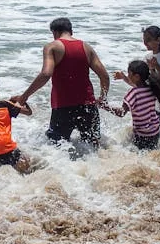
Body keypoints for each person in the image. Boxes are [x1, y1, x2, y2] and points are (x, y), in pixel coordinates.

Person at [11, 17, 110, 155]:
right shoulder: (87, 48)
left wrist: (24, 97)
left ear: (55, 32)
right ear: (71, 31)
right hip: (89, 106)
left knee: (57, 150)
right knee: (94, 148)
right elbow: (104, 76)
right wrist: (103, 98)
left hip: (64, 108)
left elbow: (46, 74)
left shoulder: (52, 46)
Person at [115, 25, 160, 146]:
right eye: (144, 39)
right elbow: (143, 85)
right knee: (159, 140)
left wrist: (156, 67)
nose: (145, 42)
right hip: (159, 105)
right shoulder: (147, 57)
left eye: (148, 39)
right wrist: (124, 78)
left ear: (158, 40)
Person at [101, 60, 160, 150]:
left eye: (129, 74)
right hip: (154, 132)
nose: (128, 75)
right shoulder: (151, 88)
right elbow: (136, 85)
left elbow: (121, 113)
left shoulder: (133, 93)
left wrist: (104, 106)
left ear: (137, 76)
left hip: (142, 135)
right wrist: (123, 77)